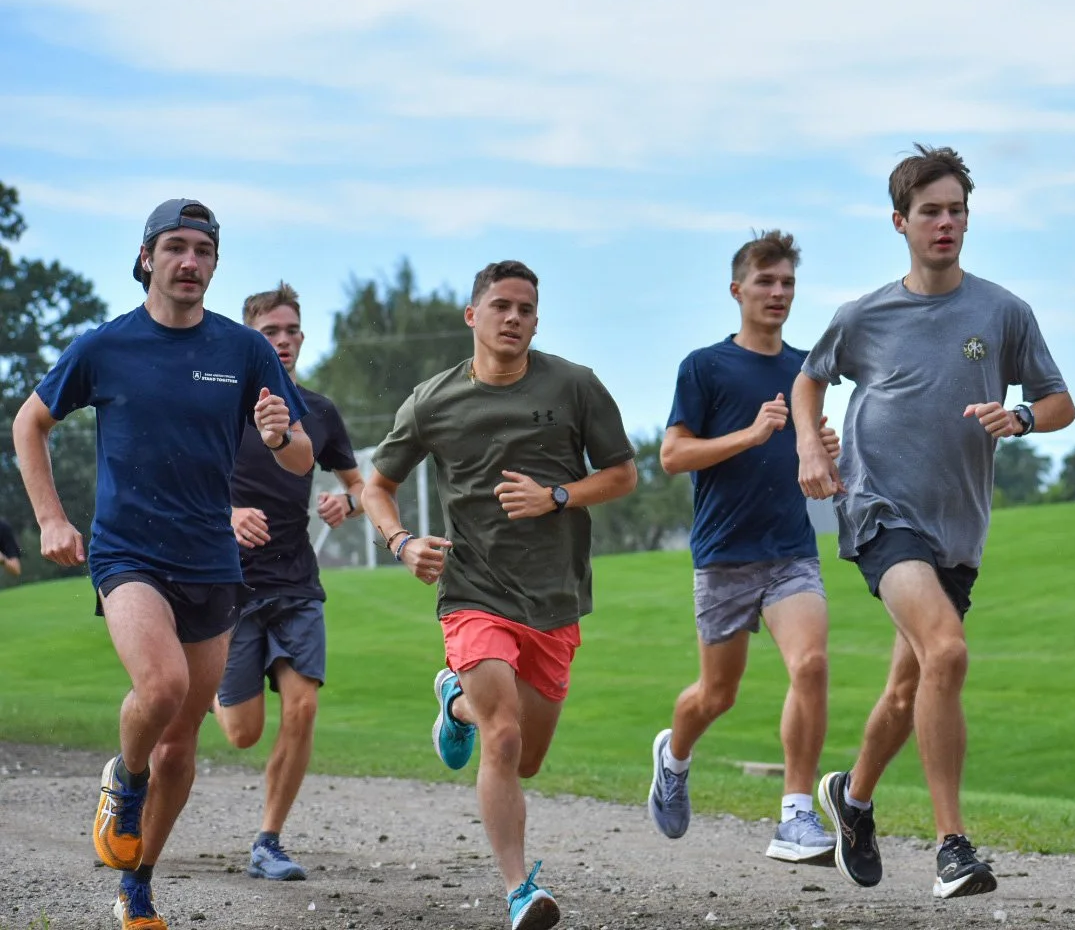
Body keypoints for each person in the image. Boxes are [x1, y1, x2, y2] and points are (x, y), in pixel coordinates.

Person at [12, 200, 311, 930]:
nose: (190, 262)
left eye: (203, 251)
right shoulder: (105, 347)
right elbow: (30, 422)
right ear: (147, 258)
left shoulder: (244, 351)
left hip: (210, 559)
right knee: (164, 686)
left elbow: (302, 455)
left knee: (183, 742)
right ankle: (124, 777)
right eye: (175, 247)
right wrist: (51, 517)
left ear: (213, 264)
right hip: (128, 552)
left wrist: (277, 438)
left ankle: (137, 883)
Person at [793, 144, 1075, 899]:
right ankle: (953, 844)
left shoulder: (1003, 311)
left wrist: (1020, 414)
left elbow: (1059, 402)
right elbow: (808, 379)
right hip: (881, 510)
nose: (946, 223)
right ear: (901, 223)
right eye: (931, 212)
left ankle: (851, 800)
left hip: (960, 530)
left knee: (906, 689)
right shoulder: (864, 315)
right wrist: (808, 450)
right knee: (947, 653)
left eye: (957, 211)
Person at [361, 259, 637, 930]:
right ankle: (520, 890)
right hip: (473, 591)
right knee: (505, 738)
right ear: (472, 316)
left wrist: (558, 496)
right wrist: (400, 542)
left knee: (529, 758)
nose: (514, 318)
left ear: (536, 320)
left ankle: (454, 705)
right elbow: (376, 485)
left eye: (526, 309)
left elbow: (625, 474)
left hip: (554, 597)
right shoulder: (433, 400)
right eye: (501, 306)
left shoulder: (575, 386)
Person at [647, 230, 843, 864]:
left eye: (787, 282)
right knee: (717, 695)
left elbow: (806, 450)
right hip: (725, 554)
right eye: (765, 281)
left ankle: (795, 815)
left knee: (810, 665)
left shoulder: (808, 369)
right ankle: (673, 758)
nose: (778, 293)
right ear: (738, 290)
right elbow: (673, 455)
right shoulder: (704, 367)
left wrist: (820, 449)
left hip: (790, 550)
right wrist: (751, 433)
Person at [213, 283, 365, 882]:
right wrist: (226, 516)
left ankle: (268, 841)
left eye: (291, 331)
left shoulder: (319, 412)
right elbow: (182, 483)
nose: (282, 341)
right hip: (227, 585)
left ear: (302, 336)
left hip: (296, 579)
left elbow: (364, 486)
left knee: (302, 706)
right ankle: (198, 684)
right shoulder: (219, 407)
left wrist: (346, 506)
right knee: (243, 733)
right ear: (251, 338)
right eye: (269, 333)